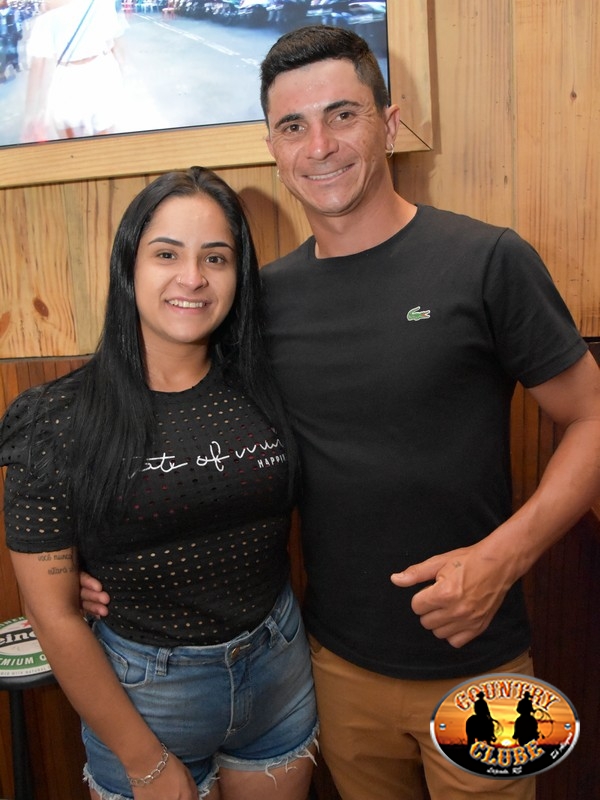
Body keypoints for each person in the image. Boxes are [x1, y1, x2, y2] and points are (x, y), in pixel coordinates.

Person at [82, 25, 600, 800]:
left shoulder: (486, 261)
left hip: (482, 664)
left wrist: (503, 558)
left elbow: (592, 419)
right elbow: (187, 432)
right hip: (332, 668)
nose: (319, 145)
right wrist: (102, 563)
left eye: (343, 115)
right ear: (272, 147)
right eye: (293, 126)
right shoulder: (261, 302)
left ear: (389, 124)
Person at [0, 167, 318, 800]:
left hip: (278, 669)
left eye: (216, 257)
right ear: (130, 266)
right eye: (167, 254)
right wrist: (143, 760)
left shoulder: (270, 384)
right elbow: (51, 613)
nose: (192, 277)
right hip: (146, 698)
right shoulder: (55, 419)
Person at [21, 0, 126, 142]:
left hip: (79, 75)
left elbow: (37, 67)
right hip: (92, 72)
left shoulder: (47, 14)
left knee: (76, 139)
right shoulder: (100, 4)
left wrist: (30, 115)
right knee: (97, 136)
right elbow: (113, 43)